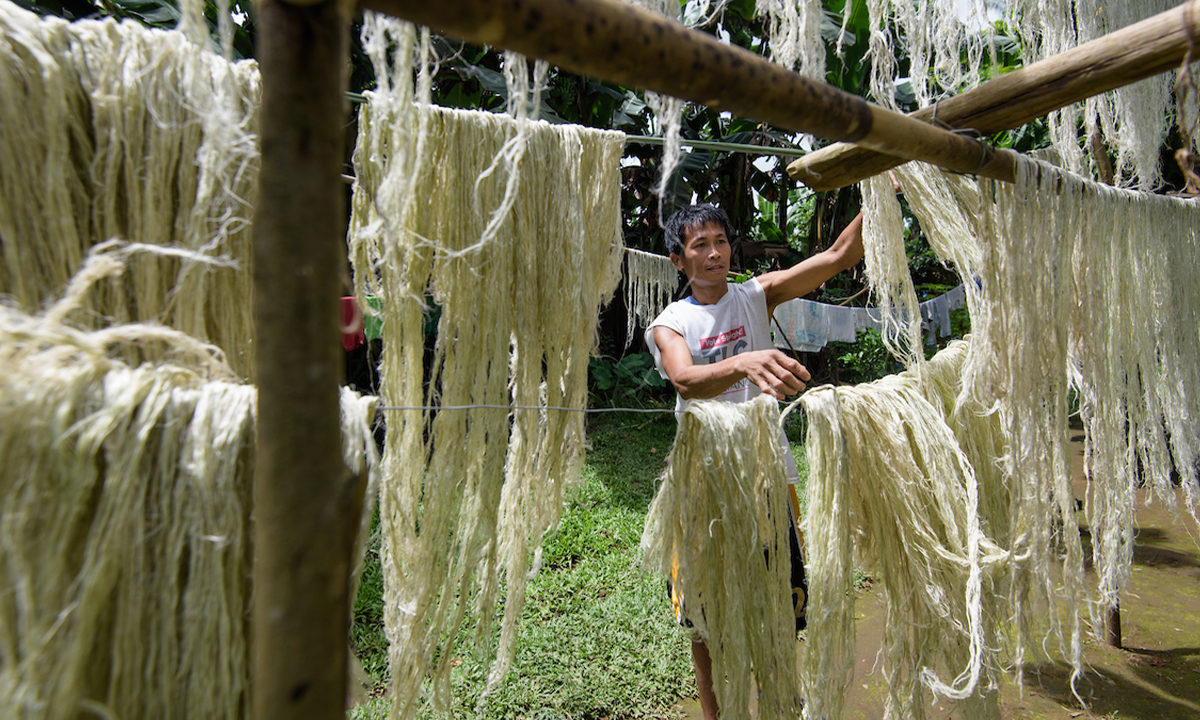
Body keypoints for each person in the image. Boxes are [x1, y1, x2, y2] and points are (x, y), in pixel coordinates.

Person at [645, 202, 865, 719]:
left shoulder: (755, 296)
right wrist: (744, 360)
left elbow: (839, 254)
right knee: (703, 616)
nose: (714, 252)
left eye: (720, 241)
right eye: (699, 245)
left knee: (780, 605)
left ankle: (780, 707)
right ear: (679, 260)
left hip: (768, 480)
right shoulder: (671, 322)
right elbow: (684, 380)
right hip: (704, 488)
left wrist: (887, 185)